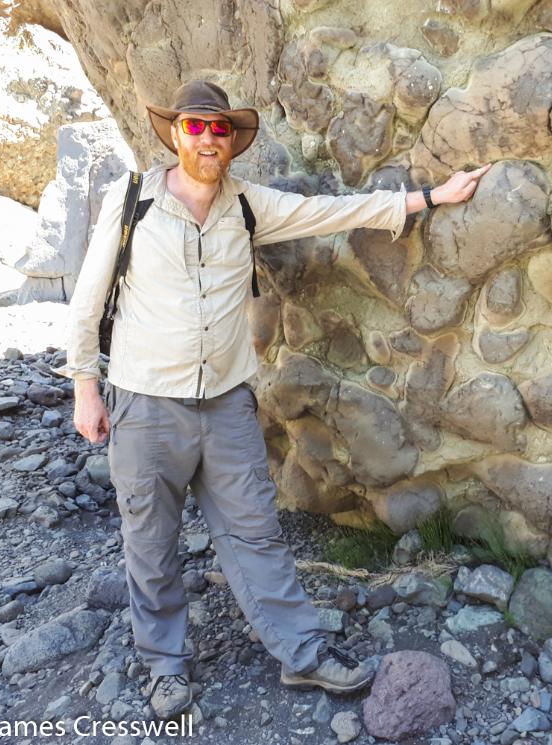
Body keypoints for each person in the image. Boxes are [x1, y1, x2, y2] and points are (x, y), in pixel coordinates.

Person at [56, 79, 488, 720]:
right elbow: (88, 300)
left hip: (226, 403)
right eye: (195, 127)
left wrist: (429, 198)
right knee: (150, 541)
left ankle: (303, 654)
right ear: (176, 134)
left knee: (256, 532)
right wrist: (85, 387)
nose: (207, 138)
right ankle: (165, 665)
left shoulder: (248, 205)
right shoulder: (132, 201)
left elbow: (335, 212)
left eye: (218, 128)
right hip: (145, 404)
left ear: (231, 139)